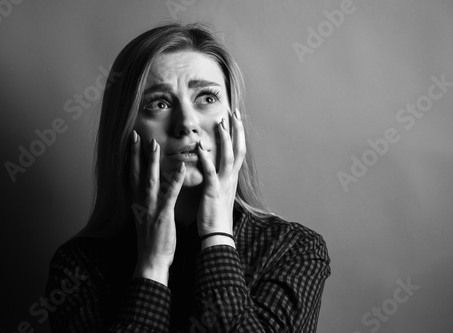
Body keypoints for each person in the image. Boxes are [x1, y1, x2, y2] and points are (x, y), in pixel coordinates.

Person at [45, 23, 331, 333]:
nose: (187, 123)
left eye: (206, 98)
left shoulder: (293, 249)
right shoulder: (78, 268)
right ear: (127, 129)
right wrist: (152, 266)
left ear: (233, 120)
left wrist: (217, 234)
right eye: (159, 103)